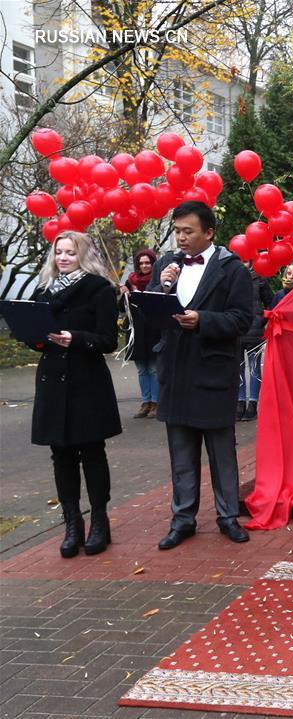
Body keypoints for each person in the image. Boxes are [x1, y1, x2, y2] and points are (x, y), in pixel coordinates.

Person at [149, 201, 254, 550]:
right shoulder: (166, 264)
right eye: (177, 230)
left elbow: (243, 319)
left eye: (188, 231)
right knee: (181, 453)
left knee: (222, 452)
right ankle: (182, 520)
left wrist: (204, 320)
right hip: (175, 372)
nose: (180, 238)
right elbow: (147, 311)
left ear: (208, 233)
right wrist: (160, 290)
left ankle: (228, 517)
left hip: (212, 371)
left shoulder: (232, 269)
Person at [30, 231, 121, 558]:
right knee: (62, 455)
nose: (63, 258)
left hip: (87, 381)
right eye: (59, 252)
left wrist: (77, 338)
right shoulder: (43, 289)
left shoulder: (99, 289)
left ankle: (99, 521)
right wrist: (35, 337)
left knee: (92, 453)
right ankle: (72, 523)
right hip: (53, 381)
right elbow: (34, 332)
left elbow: (109, 339)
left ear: (82, 255)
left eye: (70, 252)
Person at [123, 248, 161, 419]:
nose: (144, 266)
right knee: (141, 369)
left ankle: (156, 402)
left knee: (153, 368)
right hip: (136, 331)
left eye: (148, 263)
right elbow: (122, 309)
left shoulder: (158, 279)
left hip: (153, 329)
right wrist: (123, 296)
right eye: (141, 263)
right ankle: (145, 402)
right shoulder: (130, 281)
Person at [236, 260, 274, 422]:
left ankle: (252, 402)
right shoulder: (234, 276)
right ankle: (239, 401)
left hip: (255, 331)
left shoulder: (260, 279)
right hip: (236, 331)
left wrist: (261, 321)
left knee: (253, 368)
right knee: (238, 368)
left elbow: (270, 303)